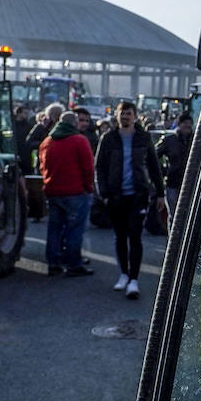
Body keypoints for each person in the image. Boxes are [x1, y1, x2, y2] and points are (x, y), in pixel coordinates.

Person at [94, 101, 166, 300]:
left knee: (135, 236)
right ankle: (124, 274)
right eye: (121, 113)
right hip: (116, 196)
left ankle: (134, 279)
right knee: (120, 236)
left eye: (128, 113)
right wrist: (104, 194)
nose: (125, 116)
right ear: (117, 116)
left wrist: (160, 193)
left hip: (138, 195)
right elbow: (99, 167)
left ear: (135, 116)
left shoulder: (143, 138)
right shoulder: (108, 139)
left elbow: (154, 166)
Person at [39, 111, 96, 277]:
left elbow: (42, 166)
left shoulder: (47, 141)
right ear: (74, 124)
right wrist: (88, 187)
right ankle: (73, 264)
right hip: (75, 191)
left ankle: (53, 263)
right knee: (74, 229)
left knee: (54, 229)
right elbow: (87, 167)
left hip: (53, 190)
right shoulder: (79, 140)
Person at [155, 113, 193, 220]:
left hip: (191, 183)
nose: (188, 126)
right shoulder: (169, 140)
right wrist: (163, 171)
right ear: (179, 124)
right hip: (173, 182)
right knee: (174, 215)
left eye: (190, 124)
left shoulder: (196, 141)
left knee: (188, 215)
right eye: (185, 123)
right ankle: (173, 236)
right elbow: (154, 156)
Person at [25, 103, 63, 173]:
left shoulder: (62, 127)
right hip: (43, 160)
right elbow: (29, 142)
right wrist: (46, 144)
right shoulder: (41, 126)